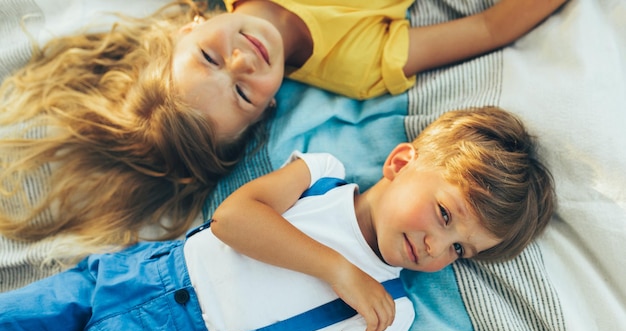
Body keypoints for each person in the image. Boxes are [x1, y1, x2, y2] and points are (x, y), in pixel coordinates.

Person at [0, 106, 555, 331]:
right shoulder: (321, 177)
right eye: (443, 212)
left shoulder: (388, 311)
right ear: (402, 164)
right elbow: (234, 220)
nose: (437, 245)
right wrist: (339, 269)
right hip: (126, 283)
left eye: (460, 249)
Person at [0, 0, 565, 258]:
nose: (243, 64)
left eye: (208, 59)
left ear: (189, 24)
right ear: (265, 110)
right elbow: (489, 25)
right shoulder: (356, 65)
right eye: (243, 93)